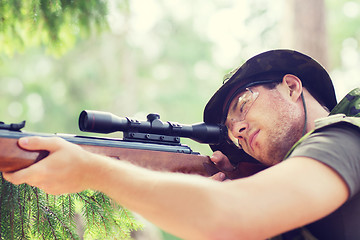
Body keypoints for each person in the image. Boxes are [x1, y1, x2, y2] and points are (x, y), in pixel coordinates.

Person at [3, 49, 360, 239]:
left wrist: (93, 170)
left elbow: (229, 216)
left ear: (292, 86)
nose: (237, 129)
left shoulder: (345, 135)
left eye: (242, 104)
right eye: (229, 130)